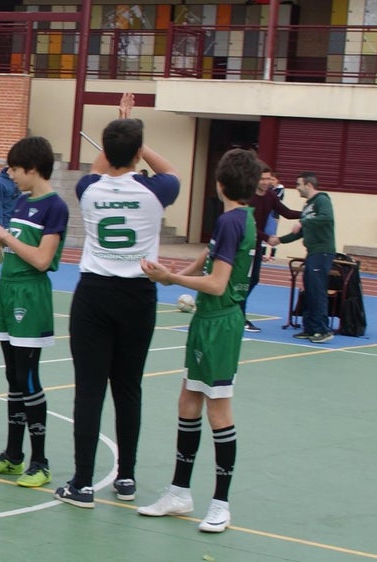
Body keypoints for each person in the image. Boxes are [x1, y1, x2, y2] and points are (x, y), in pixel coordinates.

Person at [55, 93, 180, 508]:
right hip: (137, 294)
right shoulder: (156, 191)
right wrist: (136, 136)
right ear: (137, 152)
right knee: (128, 389)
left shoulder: (89, 188)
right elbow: (170, 171)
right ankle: (126, 477)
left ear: (106, 151)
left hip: (94, 293)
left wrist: (120, 134)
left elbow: (98, 168)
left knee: (89, 391)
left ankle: (83, 483)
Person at [136, 148, 261, 534]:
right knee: (188, 400)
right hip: (210, 319)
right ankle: (179, 492)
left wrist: (171, 281)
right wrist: (177, 269)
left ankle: (221, 504)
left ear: (218, 184)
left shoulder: (230, 223)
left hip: (220, 321)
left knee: (217, 410)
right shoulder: (242, 217)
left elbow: (218, 282)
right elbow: (210, 257)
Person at [0, 136, 68, 487]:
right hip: (9, 293)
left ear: (32, 169)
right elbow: (17, 247)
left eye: (14, 169)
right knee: (13, 378)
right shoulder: (25, 202)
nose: (10, 175)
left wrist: (4, 235)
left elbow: (42, 259)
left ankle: (40, 461)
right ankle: (13, 456)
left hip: (31, 296)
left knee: (28, 379)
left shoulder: (54, 206)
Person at [271, 172, 337, 344]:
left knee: (318, 290)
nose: (296, 187)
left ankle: (323, 330)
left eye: (298, 184)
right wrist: (279, 240)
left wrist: (303, 222)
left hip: (322, 251)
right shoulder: (309, 205)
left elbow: (326, 217)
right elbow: (299, 232)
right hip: (313, 252)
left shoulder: (322, 200)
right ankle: (310, 328)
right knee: (309, 290)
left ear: (308, 185)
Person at [242, 164, 299, 333]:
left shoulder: (271, 196)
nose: (266, 182)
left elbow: (286, 212)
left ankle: (238, 312)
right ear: (255, 179)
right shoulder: (248, 197)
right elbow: (248, 225)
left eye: (268, 179)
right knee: (244, 280)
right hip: (245, 244)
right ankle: (239, 315)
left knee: (254, 279)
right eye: (263, 179)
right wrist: (268, 238)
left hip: (257, 245)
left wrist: (307, 213)